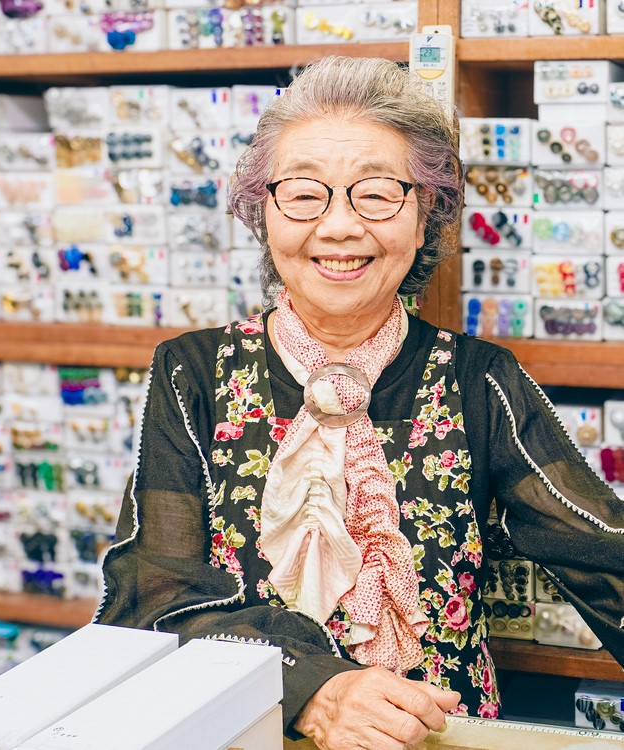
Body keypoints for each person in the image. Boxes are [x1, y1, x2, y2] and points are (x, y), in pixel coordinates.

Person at [93, 56, 624, 750]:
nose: (339, 227)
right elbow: (155, 594)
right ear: (263, 211)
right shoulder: (193, 372)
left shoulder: (475, 377)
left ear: (423, 211)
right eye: (304, 194)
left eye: (375, 194)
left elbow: (596, 547)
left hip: (437, 734)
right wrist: (316, 686)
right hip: (253, 727)